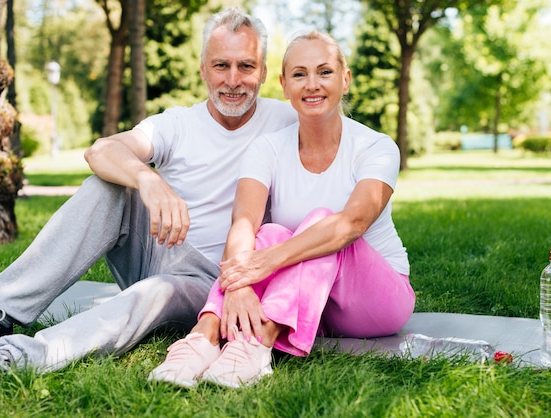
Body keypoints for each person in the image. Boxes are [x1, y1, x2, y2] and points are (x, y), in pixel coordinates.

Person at [0, 7, 298, 399]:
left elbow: (341, 150)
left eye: (246, 66)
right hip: (160, 250)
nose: (233, 80)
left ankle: (6, 360)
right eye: (221, 65)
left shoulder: (287, 120)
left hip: (215, 283)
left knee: (156, 291)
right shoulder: (177, 123)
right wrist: (147, 179)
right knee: (107, 185)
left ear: (265, 72)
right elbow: (102, 151)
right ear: (203, 69)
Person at [149, 31, 416, 389]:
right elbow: (243, 222)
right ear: (284, 85)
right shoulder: (268, 148)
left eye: (324, 72)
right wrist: (240, 287)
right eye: (299, 74)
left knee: (322, 224)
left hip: (378, 302)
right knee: (268, 233)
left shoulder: (376, 147)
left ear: (345, 79)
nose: (312, 84)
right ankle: (203, 337)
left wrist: (266, 262)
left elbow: (352, 223)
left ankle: (257, 343)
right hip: (313, 302)